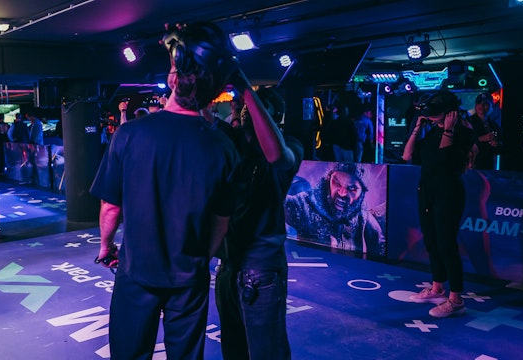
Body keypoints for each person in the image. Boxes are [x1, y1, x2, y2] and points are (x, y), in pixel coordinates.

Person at [90, 21, 240, 359]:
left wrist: (106, 247)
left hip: (137, 271)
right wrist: (202, 257)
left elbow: (111, 207)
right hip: (189, 275)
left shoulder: (130, 135)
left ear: (173, 80)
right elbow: (222, 219)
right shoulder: (222, 146)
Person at [214, 85, 302, 359]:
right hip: (228, 264)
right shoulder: (233, 142)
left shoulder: (290, 146)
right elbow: (201, 119)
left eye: (251, 107)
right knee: (233, 347)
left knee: (267, 351)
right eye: (240, 105)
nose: (242, 110)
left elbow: (276, 156)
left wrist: (245, 89)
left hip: (261, 265)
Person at [402, 89, 475, 318]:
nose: (432, 116)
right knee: (432, 241)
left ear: (449, 112)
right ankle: (437, 287)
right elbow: (406, 155)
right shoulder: (432, 132)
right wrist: (417, 128)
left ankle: (456, 300)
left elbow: (445, 163)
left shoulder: (462, 131)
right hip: (427, 190)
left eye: (436, 112)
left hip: (448, 192)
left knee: (446, 243)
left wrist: (450, 129)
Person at [284, 162, 385, 254]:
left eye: (352, 188)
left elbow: (380, 252)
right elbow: (276, 203)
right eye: (336, 183)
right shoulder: (305, 205)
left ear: (361, 193)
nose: (342, 193)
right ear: (329, 179)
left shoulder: (364, 219)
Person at [468, 92, 501, 170]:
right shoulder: (468, 122)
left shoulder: (494, 125)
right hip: (472, 164)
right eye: (479, 103)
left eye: (485, 103)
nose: (481, 106)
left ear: (491, 106)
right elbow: (461, 141)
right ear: (475, 105)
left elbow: (501, 144)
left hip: (489, 164)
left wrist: (497, 144)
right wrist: (480, 139)